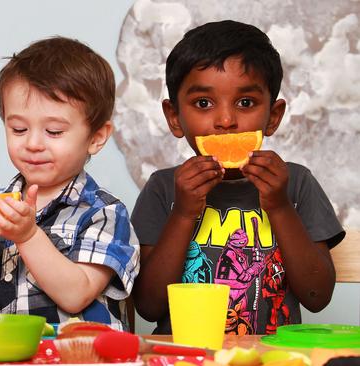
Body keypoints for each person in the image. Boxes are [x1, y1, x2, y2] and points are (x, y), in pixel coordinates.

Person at [131, 20, 345, 335]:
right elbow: (149, 307)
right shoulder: (164, 188)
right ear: (174, 117)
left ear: (273, 116)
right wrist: (183, 212)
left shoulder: (296, 183)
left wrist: (280, 206)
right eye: (203, 103)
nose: (227, 120)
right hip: (184, 358)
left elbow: (317, 297)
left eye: (245, 103)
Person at [0, 37, 140, 330]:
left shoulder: (105, 213)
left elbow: (76, 294)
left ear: (97, 137)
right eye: (19, 129)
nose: (33, 143)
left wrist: (27, 236)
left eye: (54, 131)